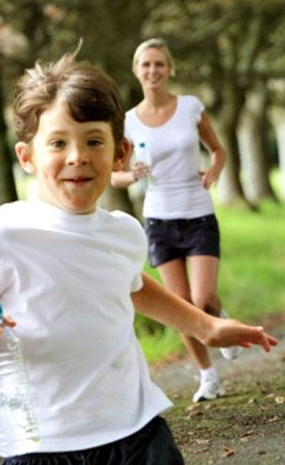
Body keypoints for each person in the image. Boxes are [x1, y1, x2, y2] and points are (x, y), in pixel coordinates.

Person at [0, 51, 278, 463]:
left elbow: (131, 283)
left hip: (136, 432)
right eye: (58, 142)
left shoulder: (124, 231)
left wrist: (205, 326)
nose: (77, 156)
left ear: (120, 154)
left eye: (94, 141)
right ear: (27, 157)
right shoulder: (0, 236)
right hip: (42, 444)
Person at [110, 38, 237, 402]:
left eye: (159, 64)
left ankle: (218, 316)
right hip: (159, 220)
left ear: (169, 69)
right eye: (146, 64)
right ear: (137, 70)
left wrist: (214, 170)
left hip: (197, 213)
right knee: (181, 304)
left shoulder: (191, 108)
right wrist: (131, 175)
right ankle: (208, 376)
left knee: (202, 297)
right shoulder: (130, 122)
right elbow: (113, 175)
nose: (153, 71)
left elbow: (218, 149)